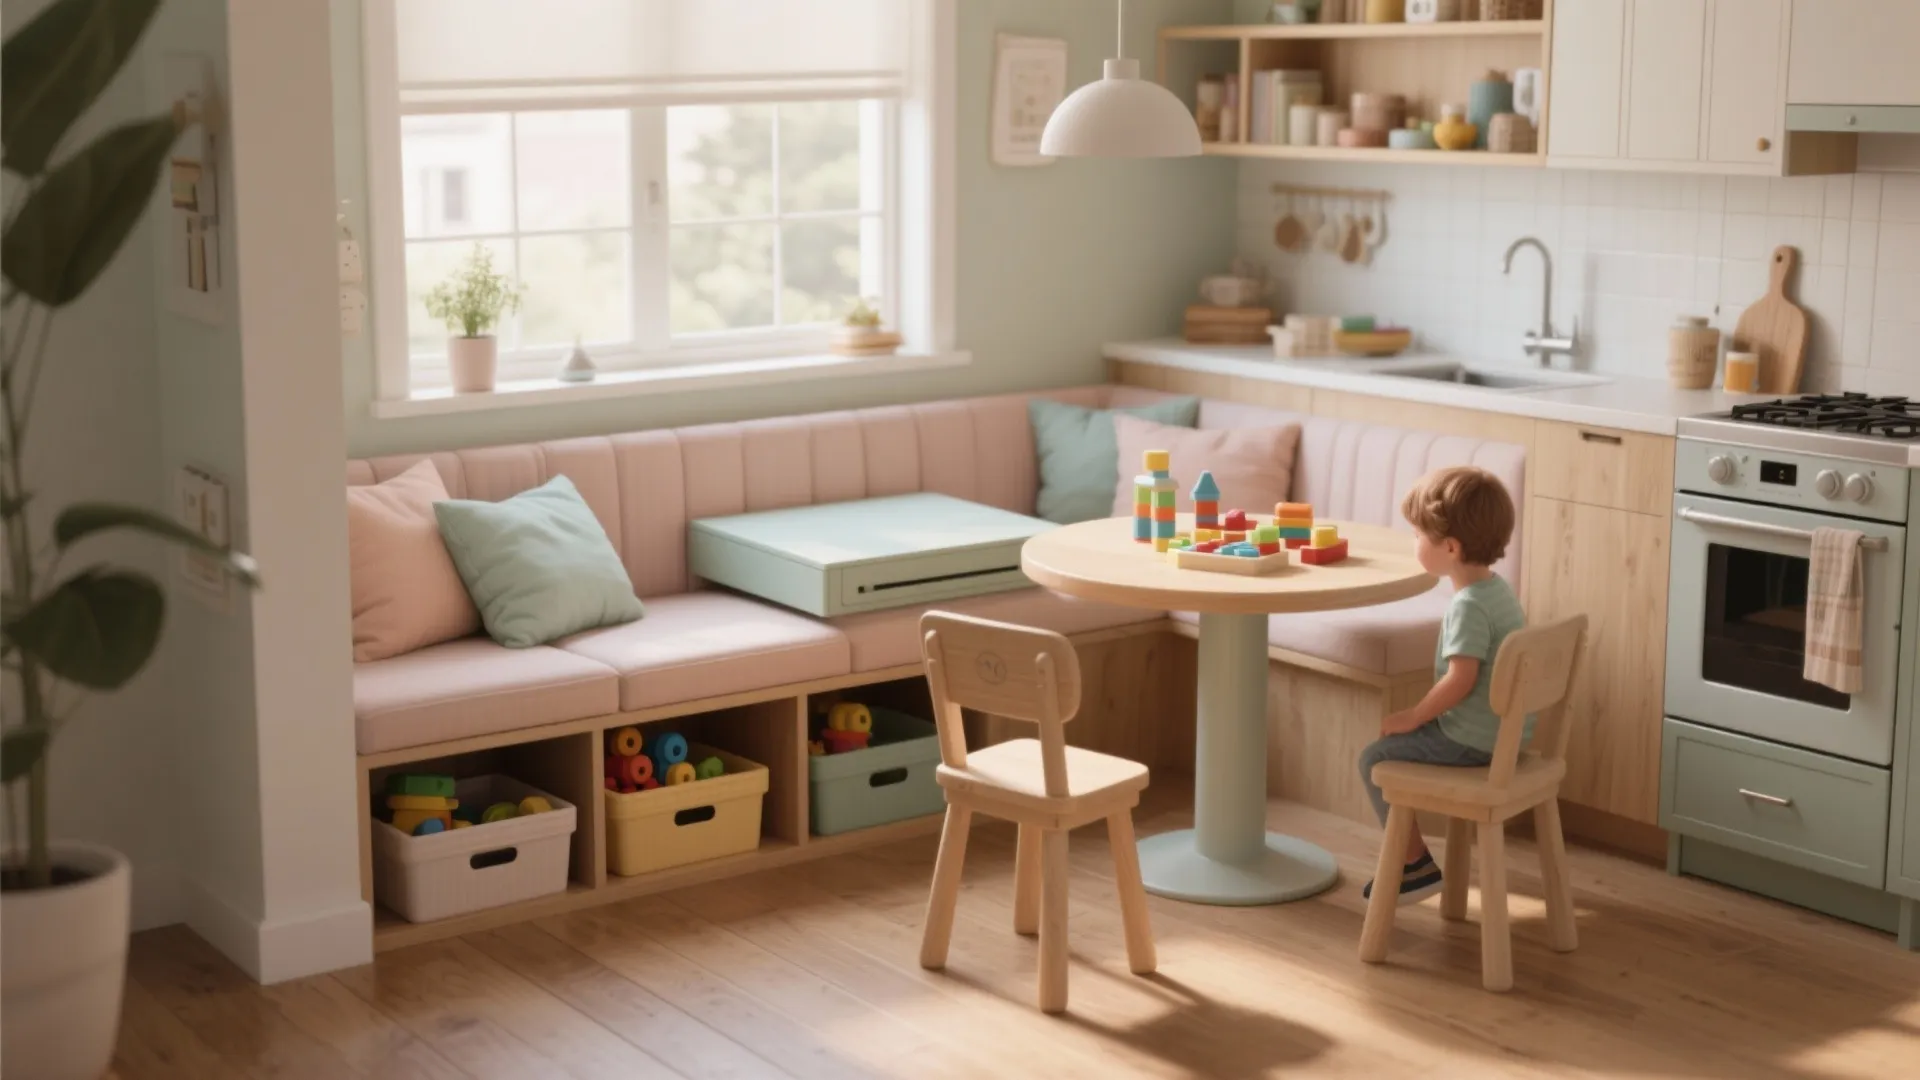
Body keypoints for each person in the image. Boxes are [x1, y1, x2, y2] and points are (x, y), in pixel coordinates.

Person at [1358, 465, 1526, 905]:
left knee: (1374, 757)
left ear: (1450, 547)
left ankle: (1414, 865)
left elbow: (1460, 679)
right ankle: (1415, 863)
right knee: (1387, 749)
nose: (1414, 542)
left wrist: (1414, 716)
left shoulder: (1467, 607)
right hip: (1503, 736)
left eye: (1418, 535)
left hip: (1472, 742)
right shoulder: (1499, 591)